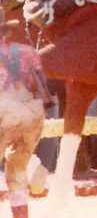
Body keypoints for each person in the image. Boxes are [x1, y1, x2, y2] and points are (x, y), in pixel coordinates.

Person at [0, 19, 51, 218]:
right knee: (16, 168)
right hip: (32, 112)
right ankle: (31, 165)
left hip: (4, 110)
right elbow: (43, 92)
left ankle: (32, 166)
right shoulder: (28, 51)